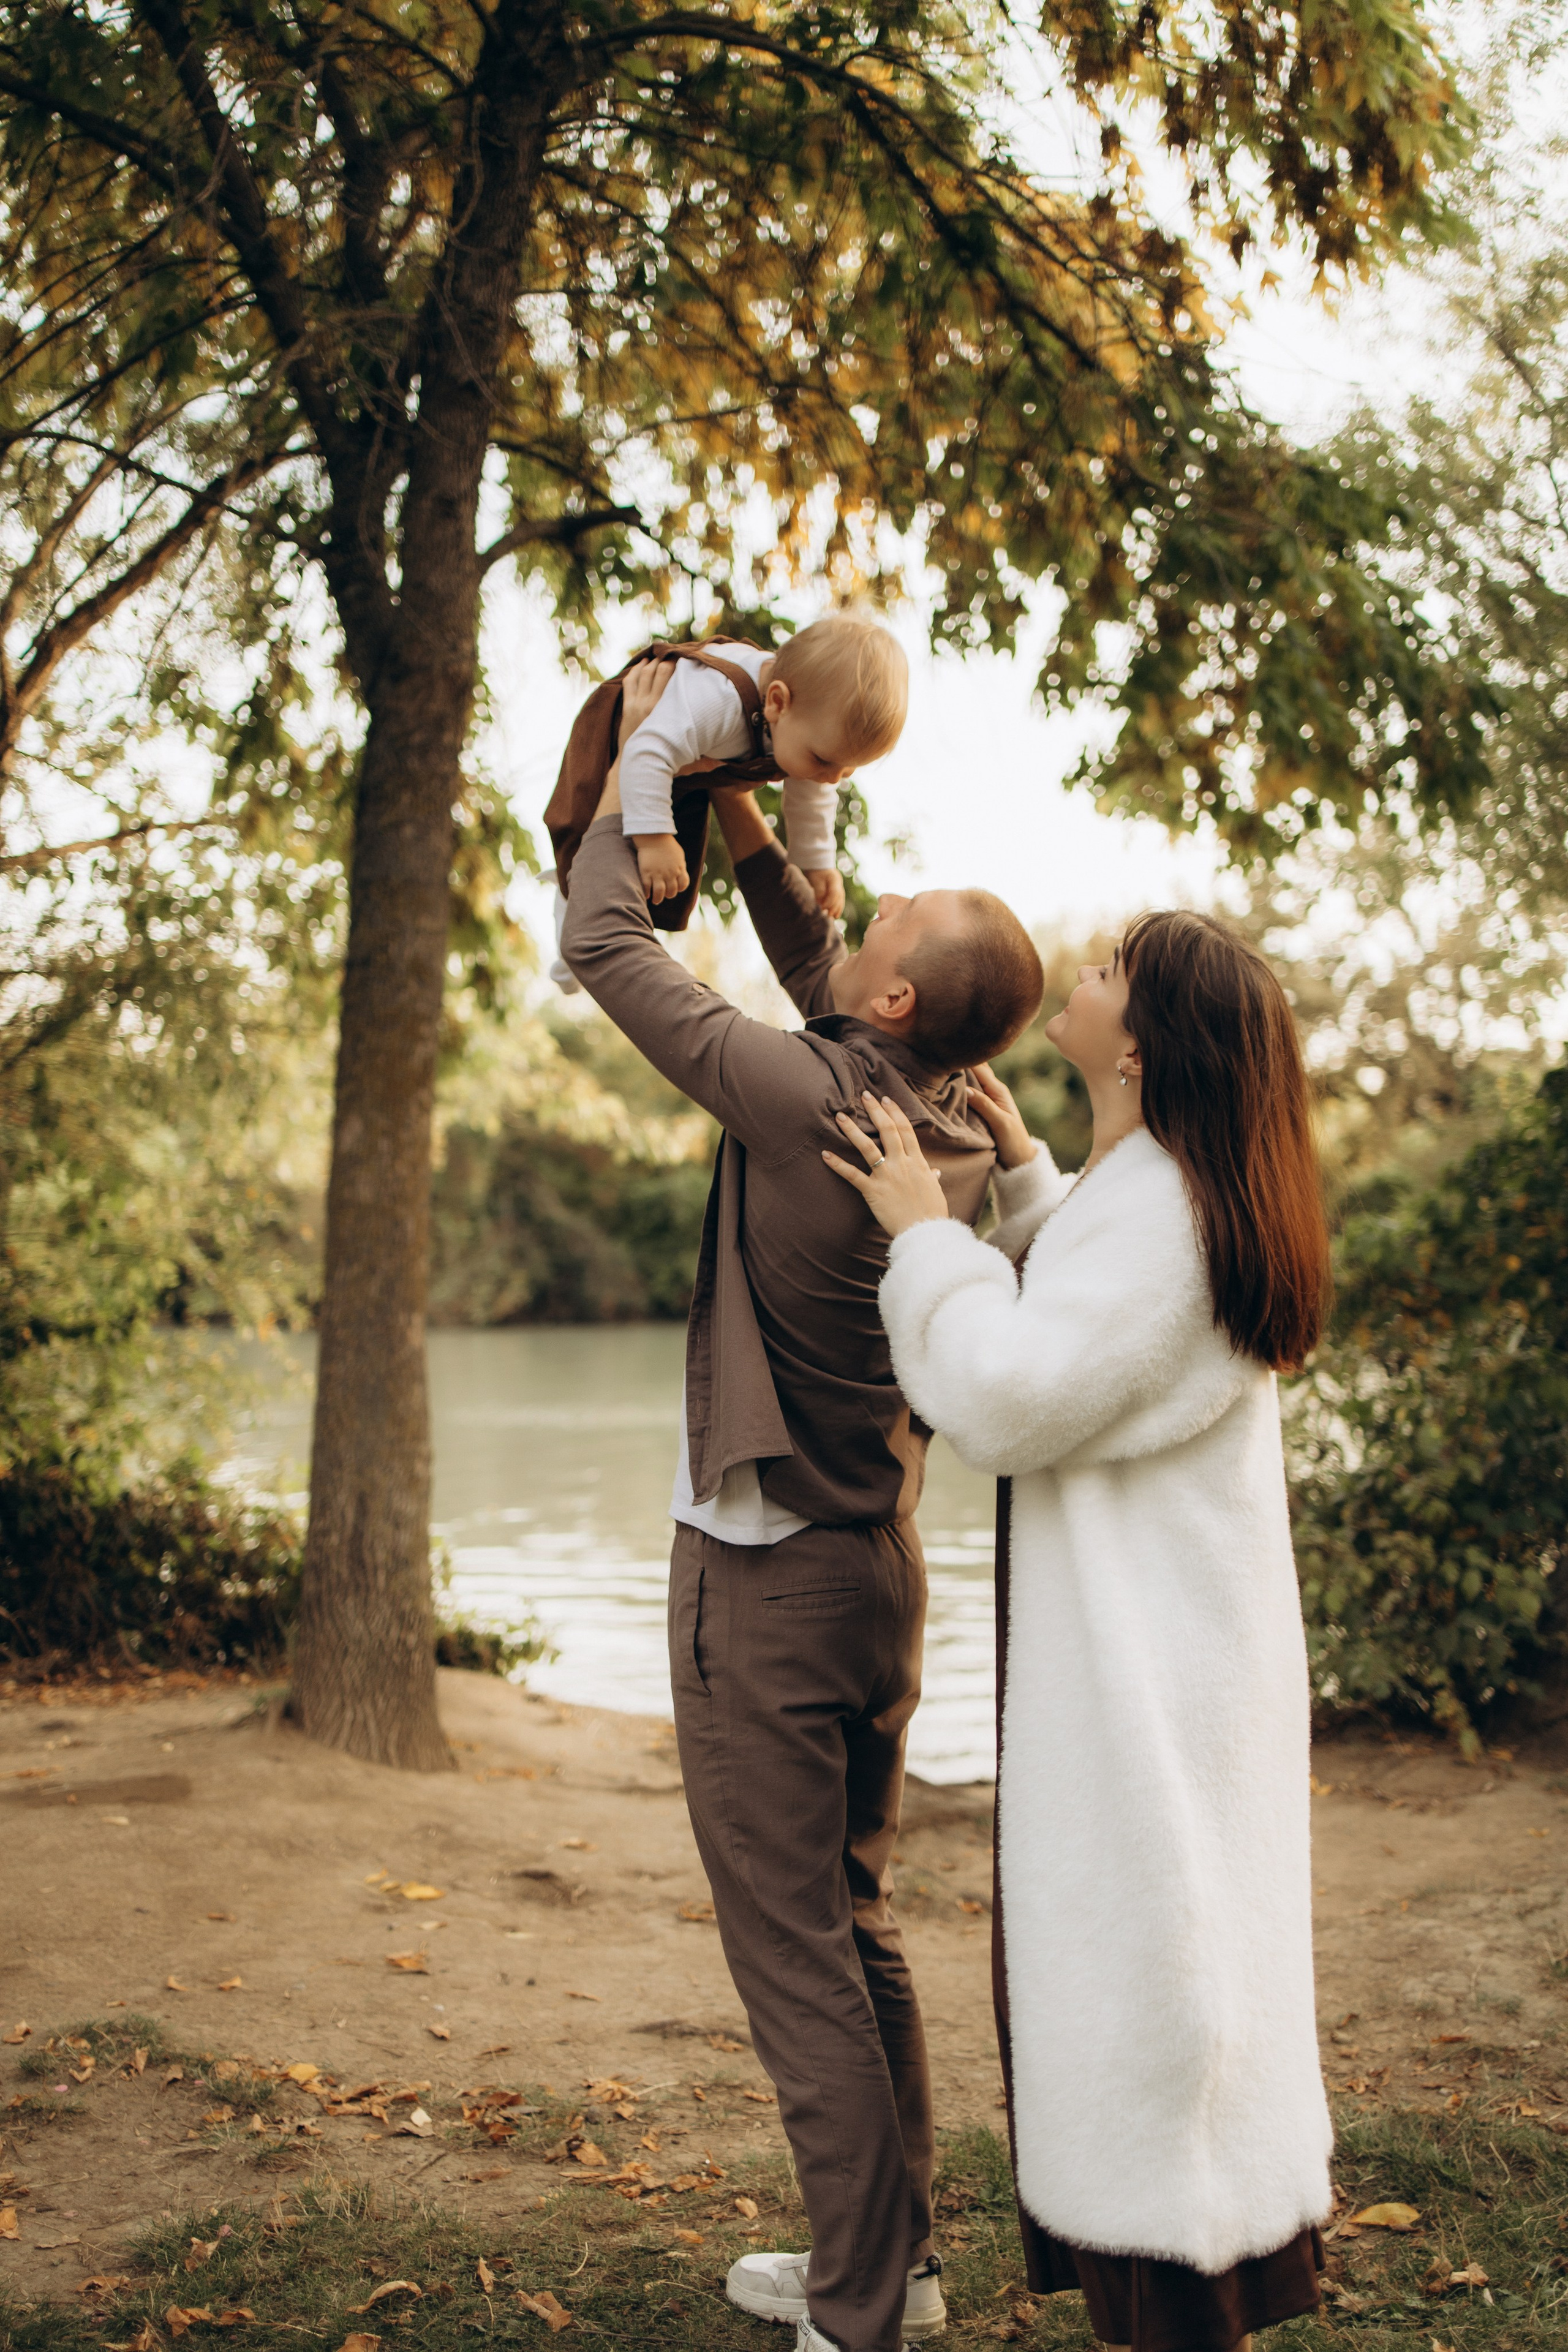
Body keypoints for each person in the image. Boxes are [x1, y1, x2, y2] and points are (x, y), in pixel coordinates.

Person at [559, 656, 1044, 2352]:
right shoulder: (953, 1131)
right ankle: (892, 2262)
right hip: (877, 1580)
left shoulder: (809, 1103)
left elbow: (606, 955)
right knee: (859, 1925)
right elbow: (825, 975)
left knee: (797, 1964)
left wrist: (639, 778)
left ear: (900, 1003)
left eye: (888, 918)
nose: (866, 907)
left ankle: (858, 2315)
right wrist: (748, 807)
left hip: (764, 1594)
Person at [823, 913, 1335, 2352]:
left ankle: (1181, 2305)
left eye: (1107, 967)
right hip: (1172, 1669)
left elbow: (1015, 1392)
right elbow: (1100, 1318)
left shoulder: (1166, 1210)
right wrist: (1037, 1183)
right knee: (1165, 1979)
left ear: (1142, 1036)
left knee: (1156, 1996)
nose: (1079, 970)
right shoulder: (1155, 1188)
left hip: (1145, 1690)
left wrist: (925, 1236)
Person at [545, 614, 908, 987]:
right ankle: (571, 923)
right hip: (622, 737)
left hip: (679, 766)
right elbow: (646, 752)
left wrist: (815, 863)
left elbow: (813, 790)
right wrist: (654, 838)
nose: (833, 776)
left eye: (848, 770)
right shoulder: (719, 702)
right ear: (778, 703)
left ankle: (600, 924)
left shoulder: (808, 720)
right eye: (823, 761)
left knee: (663, 876)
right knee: (588, 843)